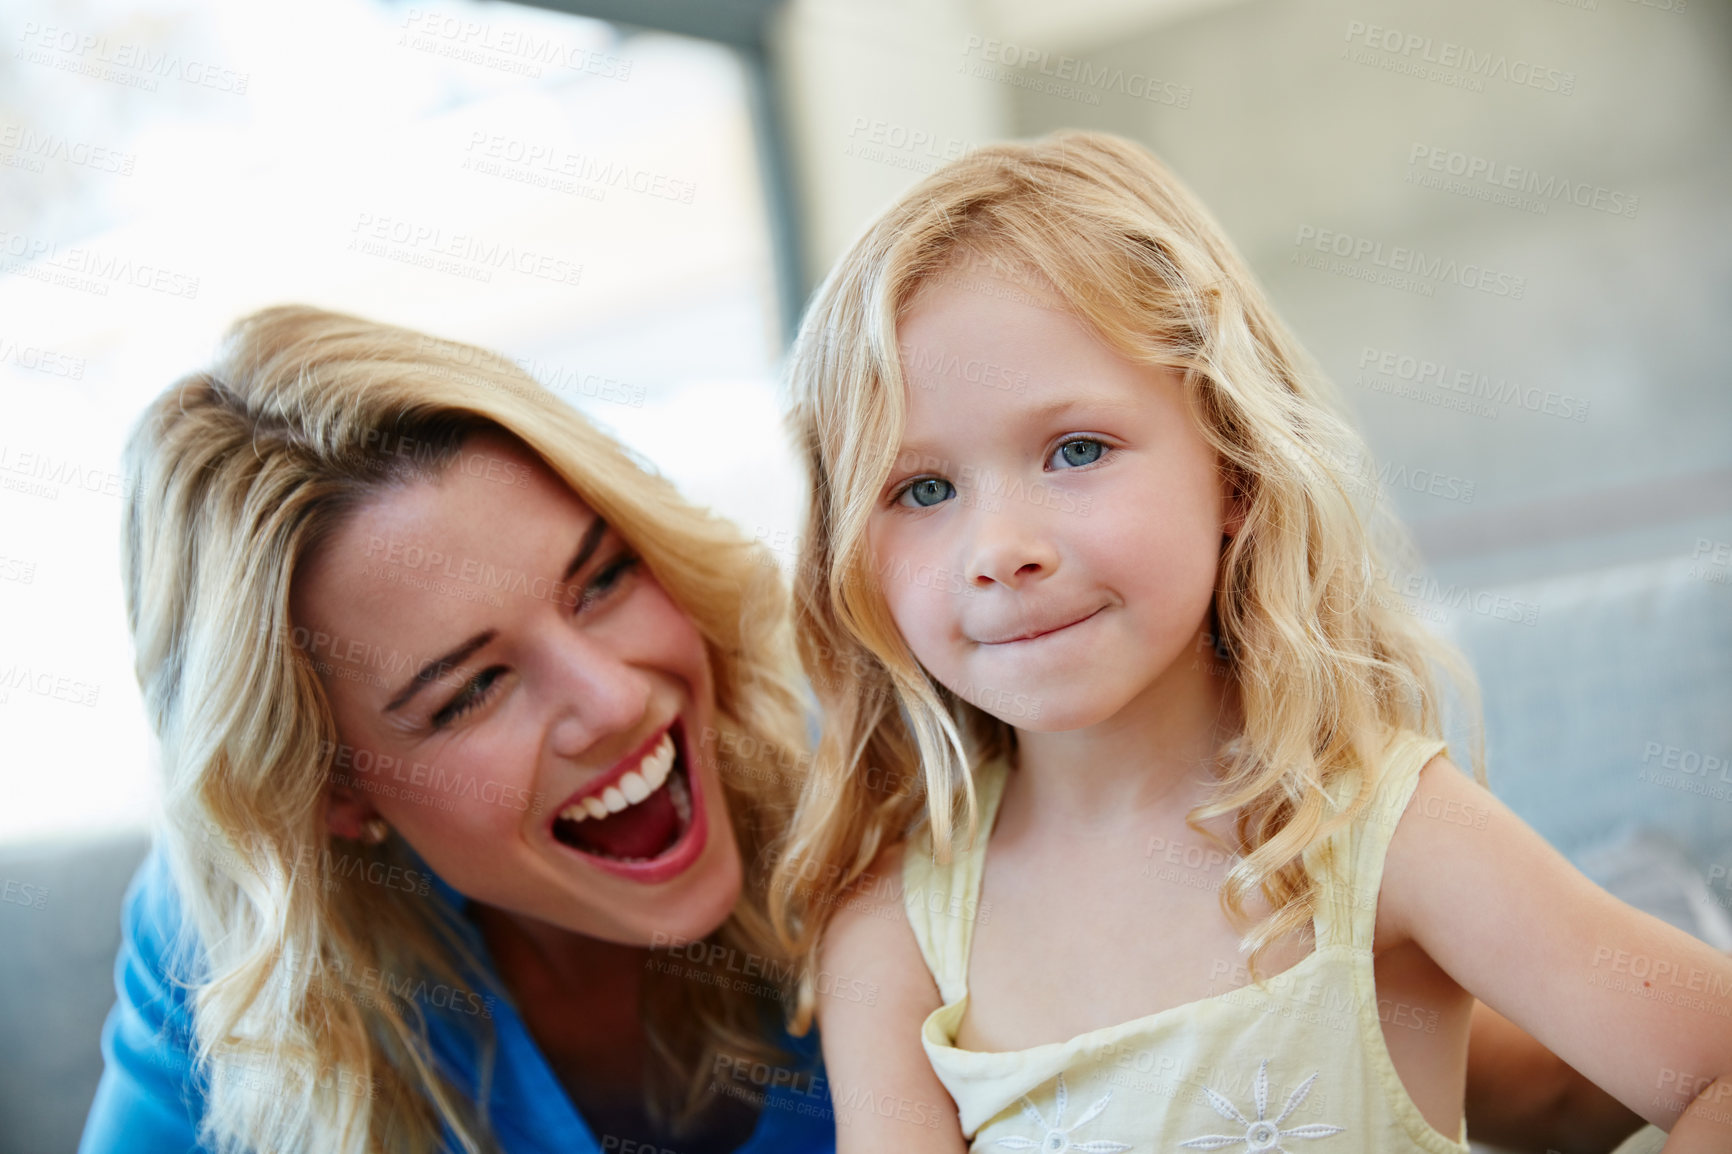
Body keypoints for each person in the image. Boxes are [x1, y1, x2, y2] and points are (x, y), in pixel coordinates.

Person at [768, 131, 1730, 1152]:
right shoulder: (892, 933)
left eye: (1076, 448)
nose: (1000, 549)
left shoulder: (1380, 830)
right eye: (922, 488)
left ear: (1231, 468)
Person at [79, 307, 835, 1154]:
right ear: (332, 790)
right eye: (473, 689)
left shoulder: (894, 820)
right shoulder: (231, 949)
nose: (615, 699)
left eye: (604, 578)